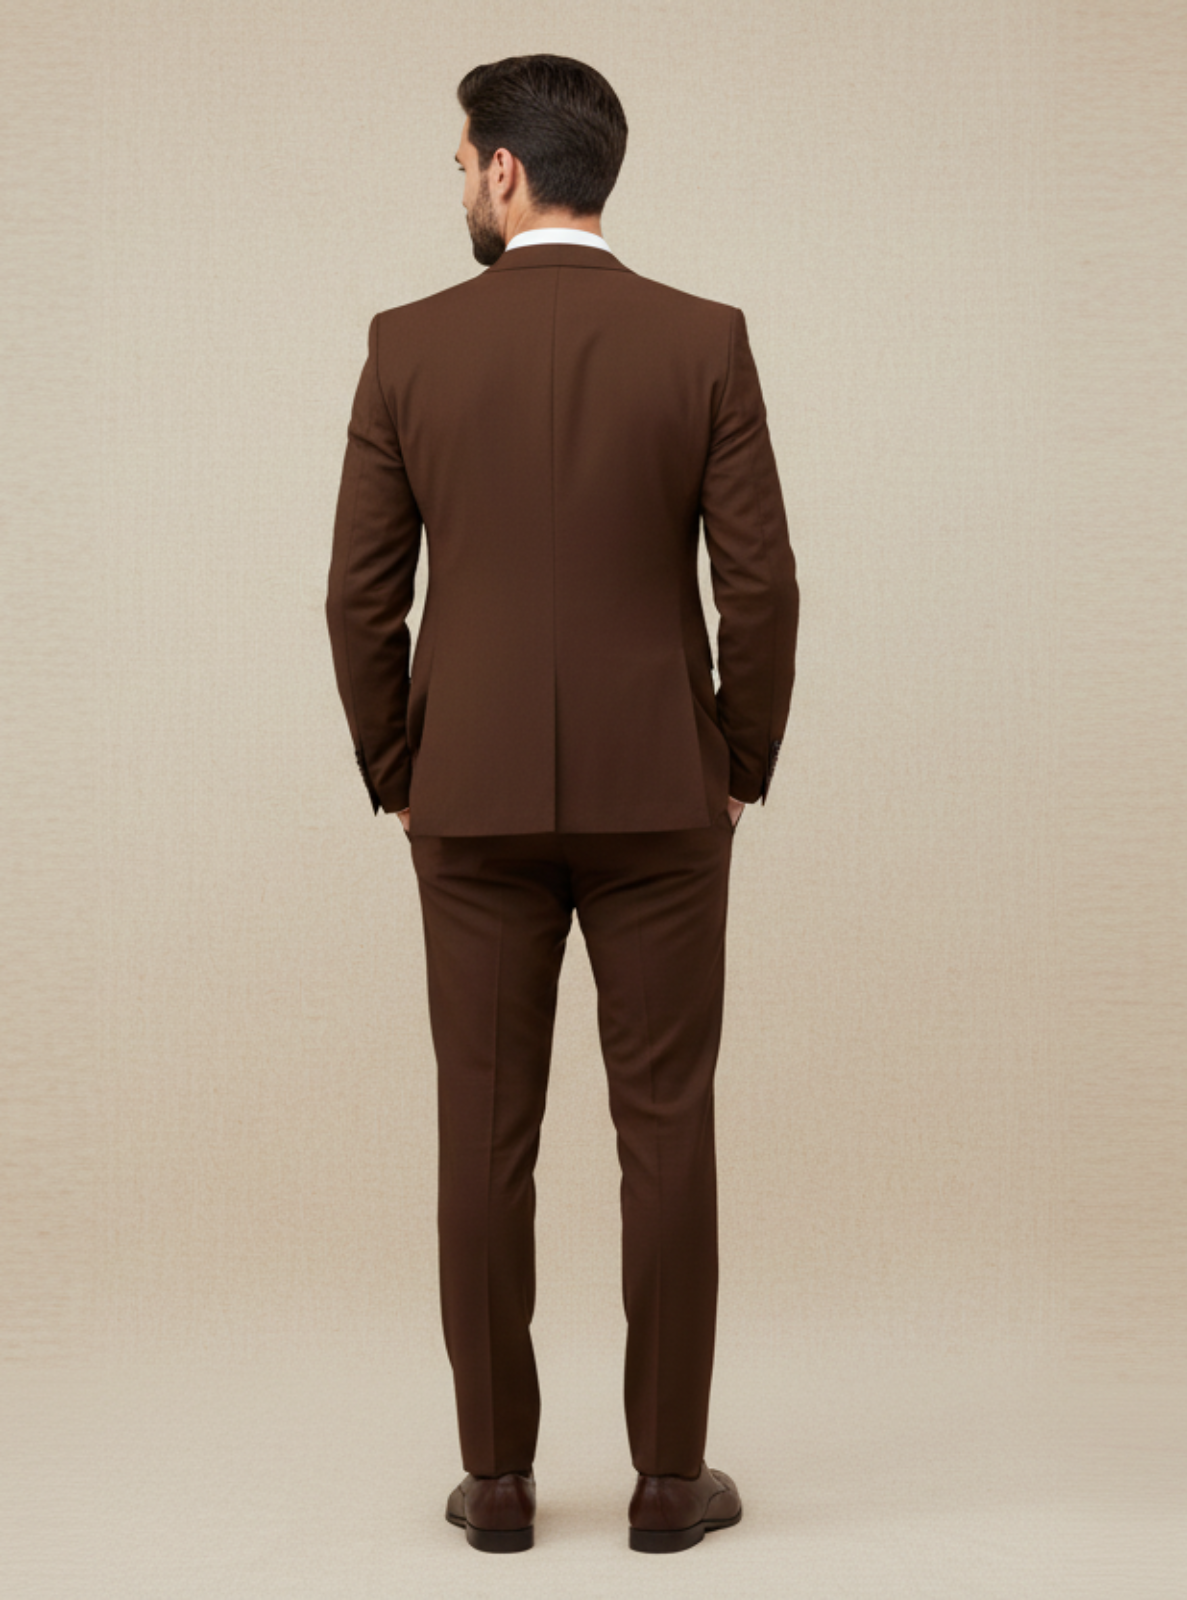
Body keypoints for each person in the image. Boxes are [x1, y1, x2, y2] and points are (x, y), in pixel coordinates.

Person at [325, 52, 799, 1555]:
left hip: (465, 803)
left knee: (482, 1131)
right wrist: (734, 756)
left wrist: (400, 766)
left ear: (508, 173)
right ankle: (669, 1483)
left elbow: (356, 600)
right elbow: (762, 585)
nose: (458, 183)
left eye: (461, 161)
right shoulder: (702, 339)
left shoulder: (407, 347)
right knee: (666, 1126)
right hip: (663, 796)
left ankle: (499, 1486)